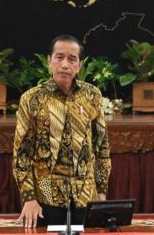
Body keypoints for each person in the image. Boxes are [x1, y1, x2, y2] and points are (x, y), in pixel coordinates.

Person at [13, 34, 111, 228]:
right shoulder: (32, 99)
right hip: (45, 195)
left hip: (85, 194)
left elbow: (102, 147)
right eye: (59, 57)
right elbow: (21, 154)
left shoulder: (92, 95)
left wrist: (101, 190)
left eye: (72, 59)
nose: (65, 64)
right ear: (49, 60)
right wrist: (29, 198)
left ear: (79, 65)